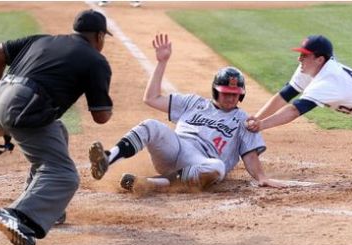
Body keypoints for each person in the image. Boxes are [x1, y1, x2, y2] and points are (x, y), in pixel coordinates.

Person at [0, 9, 114, 245]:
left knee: (58, 132)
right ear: (99, 36)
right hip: (25, 106)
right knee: (65, 175)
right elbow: (101, 117)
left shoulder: (42, 39)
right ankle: (17, 215)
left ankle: (46, 207)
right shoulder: (95, 60)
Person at [89, 34, 284, 193]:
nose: (231, 98)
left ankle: (150, 183)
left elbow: (250, 156)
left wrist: (262, 178)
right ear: (216, 90)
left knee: (218, 167)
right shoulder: (194, 102)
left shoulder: (244, 121)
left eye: (235, 94)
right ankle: (108, 159)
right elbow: (151, 98)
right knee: (151, 124)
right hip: (175, 147)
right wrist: (161, 63)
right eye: (226, 93)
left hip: (200, 163)